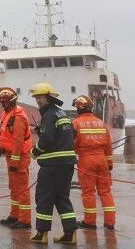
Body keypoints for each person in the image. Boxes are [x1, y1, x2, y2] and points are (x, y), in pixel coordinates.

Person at [28, 83, 78, 245]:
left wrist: (34, 151)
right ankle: (70, 234)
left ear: (49, 97)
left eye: (40, 97)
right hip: (67, 164)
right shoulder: (61, 113)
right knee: (62, 198)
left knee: (44, 197)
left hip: (52, 165)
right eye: (36, 98)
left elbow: (47, 140)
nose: (37, 101)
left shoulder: (49, 115)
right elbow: (72, 134)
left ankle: (41, 234)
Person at [71, 95, 116, 230]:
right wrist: (109, 163)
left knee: (88, 192)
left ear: (78, 109)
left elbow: (71, 145)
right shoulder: (101, 123)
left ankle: (90, 222)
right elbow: (108, 146)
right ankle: (110, 222)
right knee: (105, 191)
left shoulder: (76, 123)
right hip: (102, 160)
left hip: (86, 160)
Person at [0, 87, 33, 230]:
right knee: (13, 186)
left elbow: (18, 141)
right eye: (1, 102)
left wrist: (15, 161)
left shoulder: (18, 117)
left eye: (4, 102)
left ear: (11, 101)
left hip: (19, 157)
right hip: (10, 156)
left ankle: (24, 220)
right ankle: (14, 215)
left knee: (22, 188)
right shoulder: (7, 114)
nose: (2, 104)